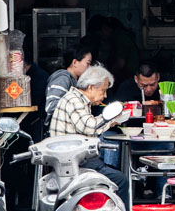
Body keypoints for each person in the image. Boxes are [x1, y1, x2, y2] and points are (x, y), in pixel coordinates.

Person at [47, 64, 129, 194]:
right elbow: (90, 127)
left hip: (76, 160)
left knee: (112, 172)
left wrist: (109, 122)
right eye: (103, 90)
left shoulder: (79, 100)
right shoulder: (74, 100)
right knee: (120, 180)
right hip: (73, 162)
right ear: (90, 87)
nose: (105, 96)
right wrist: (109, 118)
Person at [44, 43, 93, 119]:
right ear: (75, 63)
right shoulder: (62, 79)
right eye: (88, 63)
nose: (89, 67)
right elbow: (51, 106)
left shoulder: (74, 80)